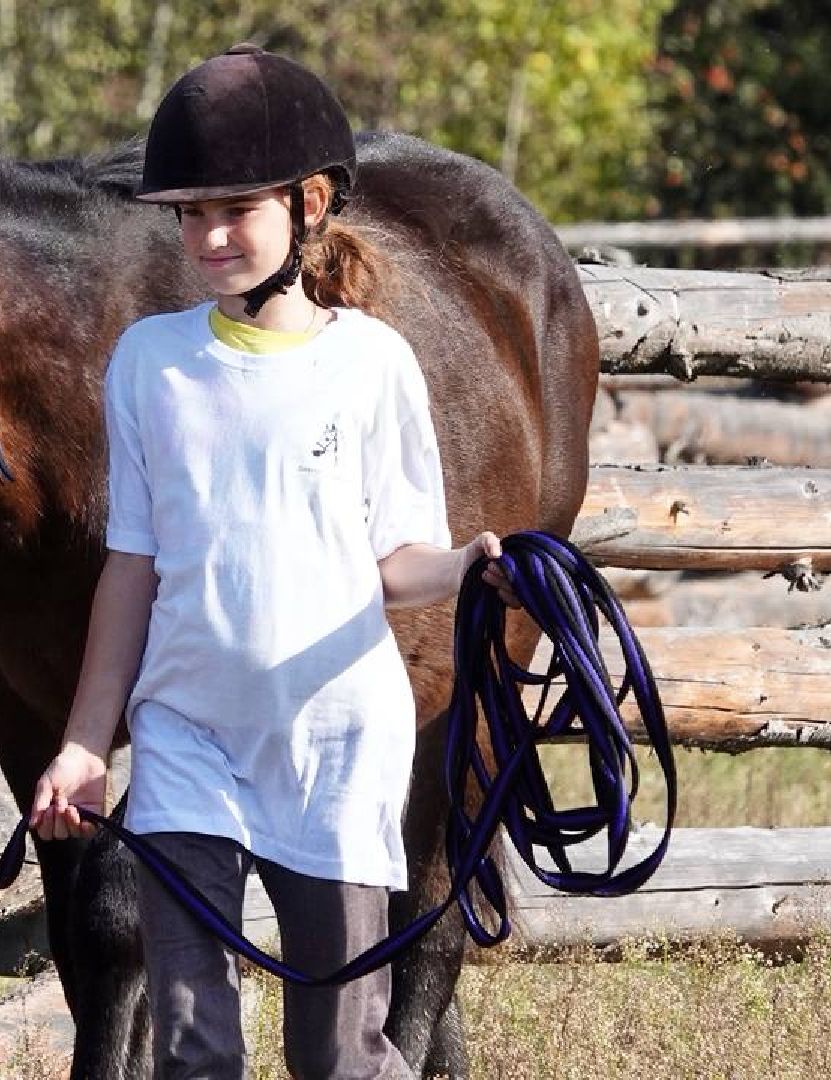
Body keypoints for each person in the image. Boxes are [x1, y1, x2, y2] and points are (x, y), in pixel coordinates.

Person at [29, 44, 514, 1080]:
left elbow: (397, 566)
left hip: (334, 748)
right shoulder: (150, 363)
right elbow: (131, 569)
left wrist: (473, 564)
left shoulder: (372, 364)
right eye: (187, 213)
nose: (206, 234)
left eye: (232, 210)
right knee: (194, 1050)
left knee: (335, 1051)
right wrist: (83, 747)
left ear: (310, 203)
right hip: (188, 743)